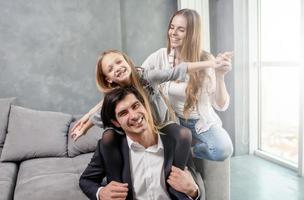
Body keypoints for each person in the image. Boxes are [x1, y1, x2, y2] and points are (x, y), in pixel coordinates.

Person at [70, 49, 227, 172]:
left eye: (119, 62)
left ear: (127, 61)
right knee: (110, 136)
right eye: (110, 69)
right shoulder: (116, 96)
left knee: (182, 135)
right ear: (109, 79)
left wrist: (211, 64)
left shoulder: (147, 76)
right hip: (143, 132)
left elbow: (178, 70)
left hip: (164, 125)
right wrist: (84, 128)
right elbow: (99, 115)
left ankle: (179, 170)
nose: (117, 68)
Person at [79, 86, 204, 200]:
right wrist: (100, 193)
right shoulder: (110, 147)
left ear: (145, 106)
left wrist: (193, 191)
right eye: (123, 113)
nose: (133, 115)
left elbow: (192, 186)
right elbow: (86, 180)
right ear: (116, 123)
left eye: (135, 106)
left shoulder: (176, 141)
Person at [141, 8, 233, 161]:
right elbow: (137, 78)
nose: (173, 33)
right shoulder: (160, 56)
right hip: (171, 120)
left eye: (181, 30)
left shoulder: (205, 59)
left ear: (191, 34)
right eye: (172, 27)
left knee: (223, 149)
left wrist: (220, 75)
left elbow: (220, 105)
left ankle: (192, 150)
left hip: (198, 121)